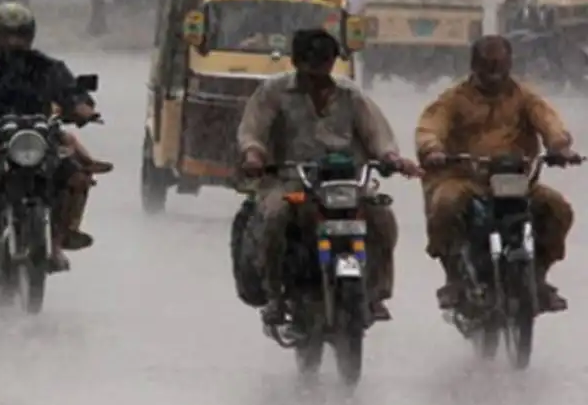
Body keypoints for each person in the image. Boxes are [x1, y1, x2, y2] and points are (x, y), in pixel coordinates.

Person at [237, 28, 421, 324]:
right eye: (312, 67)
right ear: (296, 63)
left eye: (325, 65)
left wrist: (392, 159)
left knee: (381, 217)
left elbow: (377, 135)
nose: (319, 75)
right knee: (274, 218)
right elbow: (252, 131)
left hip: (345, 182)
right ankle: (275, 296)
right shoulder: (273, 92)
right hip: (290, 179)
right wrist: (254, 155)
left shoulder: (350, 94)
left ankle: (376, 293)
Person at [415, 35, 578, 312]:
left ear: (510, 64)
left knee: (558, 208)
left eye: (500, 64)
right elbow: (430, 127)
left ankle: (537, 276)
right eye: (487, 65)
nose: (494, 72)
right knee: (445, 205)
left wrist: (559, 146)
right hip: (466, 179)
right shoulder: (454, 99)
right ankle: (455, 277)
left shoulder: (525, 97)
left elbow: (550, 122)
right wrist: (433, 150)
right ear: (474, 65)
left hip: (516, 182)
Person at [0, 2, 104, 274]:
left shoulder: (47, 67)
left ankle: (61, 238)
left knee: (76, 177)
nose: (12, 42)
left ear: (30, 36)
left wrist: (81, 106)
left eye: (19, 35)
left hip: (39, 139)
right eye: (4, 35)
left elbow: (71, 92)